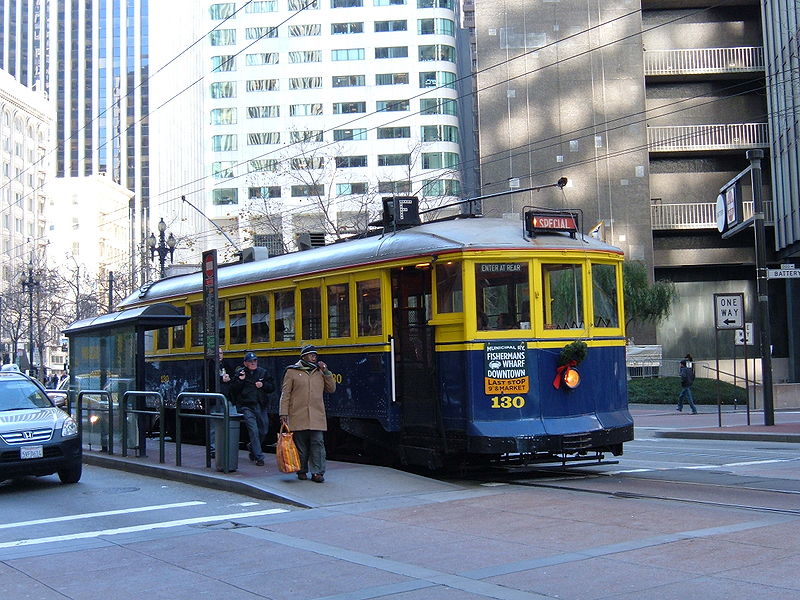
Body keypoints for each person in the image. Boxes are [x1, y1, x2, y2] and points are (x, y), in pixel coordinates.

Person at [279, 345, 336, 483]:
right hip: (298, 413)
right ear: (303, 356)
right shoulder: (292, 371)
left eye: (315, 355)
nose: (314, 357)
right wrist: (283, 413)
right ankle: (302, 470)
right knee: (301, 445)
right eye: (311, 355)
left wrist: (326, 371)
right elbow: (285, 394)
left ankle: (317, 472)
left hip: (316, 414)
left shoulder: (320, 372)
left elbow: (332, 389)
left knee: (318, 442)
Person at [230, 351, 274, 466]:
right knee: (253, 431)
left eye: (255, 360)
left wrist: (263, 385)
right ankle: (259, 457)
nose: (253, 363)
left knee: (264, 430)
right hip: (247, 406)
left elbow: (271, 387)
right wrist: (241, 380)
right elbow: (234, 389)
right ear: (245, 363)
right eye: (250, 361)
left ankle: (252, 447)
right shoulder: (240, 374)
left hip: (260, 405)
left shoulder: (263, 373)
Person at [208, 348, 236, 459]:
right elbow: (209, 379)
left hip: (228, 398)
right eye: (217, 353)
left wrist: (229, 378)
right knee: (214, 425)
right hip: (216, 400)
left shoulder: (225, 364)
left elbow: (232, 377)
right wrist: (221, 378)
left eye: (221, 353)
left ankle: (228, 445)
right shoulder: (209, 365)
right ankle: (213, 448)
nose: (219, 355)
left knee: (232, 420)